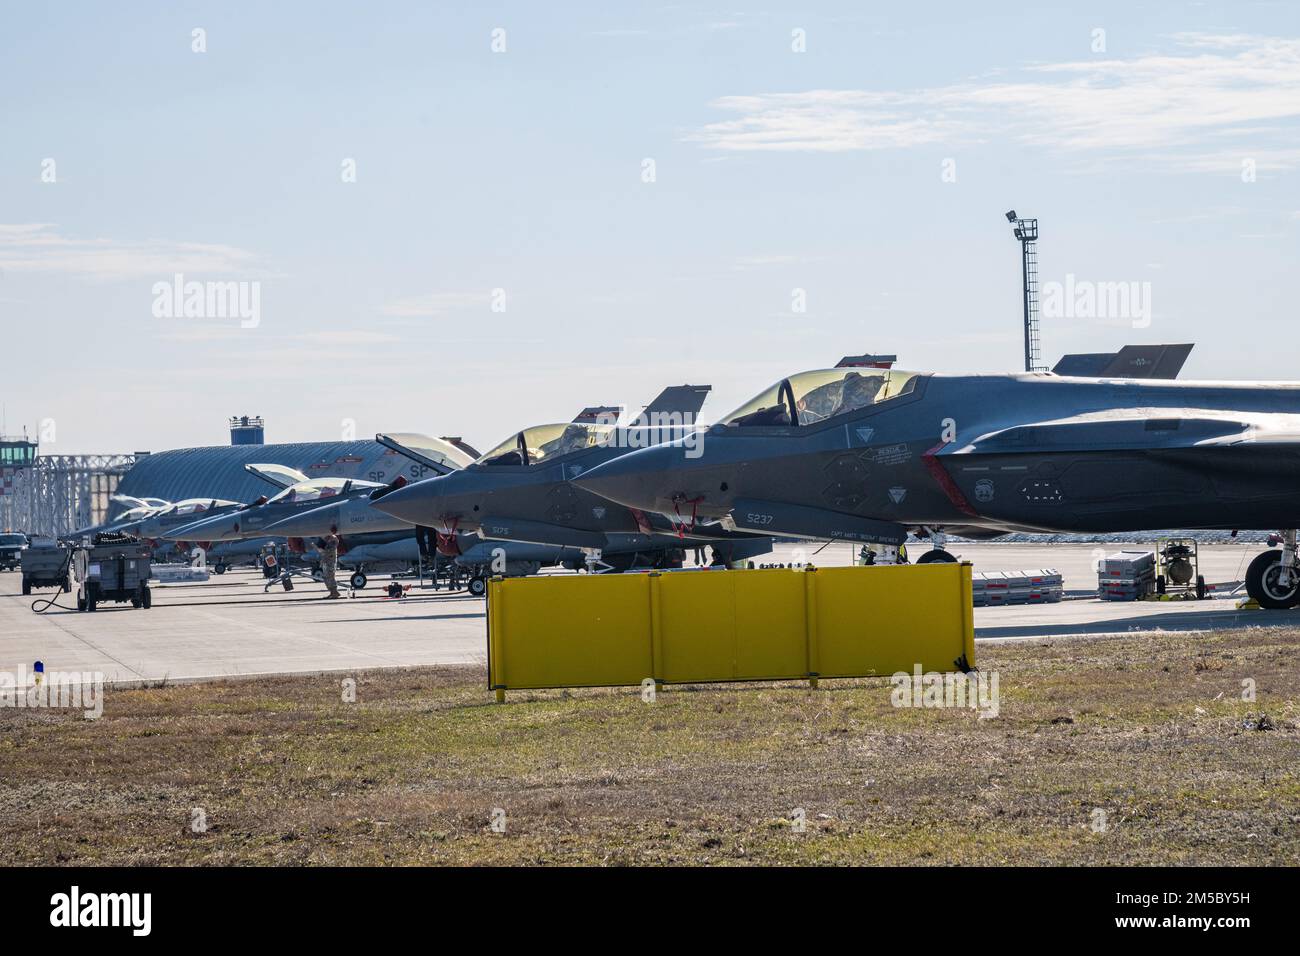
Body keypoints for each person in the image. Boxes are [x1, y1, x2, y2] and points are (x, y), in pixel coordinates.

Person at [320, 532, 341, 598]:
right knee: (327, 577)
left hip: (330, 564)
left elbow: (328, 553)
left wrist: (322, 551)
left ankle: (334, 592)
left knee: (330, 577)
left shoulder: (332, 544)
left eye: (326, 537)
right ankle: (333, 592)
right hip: (327, 563)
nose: (325, 539)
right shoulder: (329, 544)